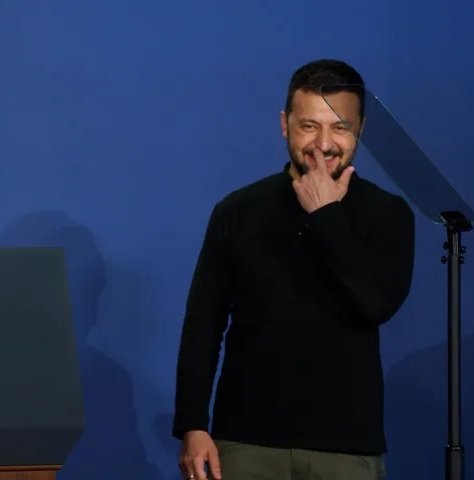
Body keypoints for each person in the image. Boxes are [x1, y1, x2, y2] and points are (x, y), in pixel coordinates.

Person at [173, 59, 415, 480]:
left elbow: (375, 304)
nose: (323, 144)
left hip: (345, 449)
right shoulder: (238, 211)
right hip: (245, 444)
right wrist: (193, 424)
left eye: (340, 127)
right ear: (285, 124)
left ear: (361, 130)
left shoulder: (388, 214)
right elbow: (203, 324)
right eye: (309, 126)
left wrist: (325, 216)